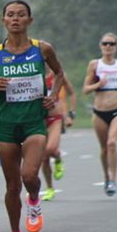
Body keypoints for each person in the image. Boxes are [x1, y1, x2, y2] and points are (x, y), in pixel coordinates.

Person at [0, 0, 64, 232]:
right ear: (3, 20)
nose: (15, 19)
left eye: (21, 15)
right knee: (12, 185)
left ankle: (35, 200)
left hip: (33, 123)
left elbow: (60, 74)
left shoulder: (42, 49)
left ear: (29, 20)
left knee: (29, 176)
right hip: (6, 124)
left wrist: (52, 95)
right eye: (10, 15)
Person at [83, 32, 117, 196]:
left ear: (116, 46)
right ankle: (106, 176)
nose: (108, 46)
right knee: (104, 148)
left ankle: (113, 179)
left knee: (111, 143)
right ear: (100, 45)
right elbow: (85, 90)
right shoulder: (94, 65)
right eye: (105, 43)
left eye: (111, 44)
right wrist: (98, 84)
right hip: (99, 111)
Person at [41, 67, 76, 201]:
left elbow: (71, 93)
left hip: (55, 118)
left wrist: (71, 114)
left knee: (50, 149)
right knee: (43, 158)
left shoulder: (58, 75)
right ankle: (49, 188)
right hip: (39, 119)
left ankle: (58, 159)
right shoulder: (33, 74)